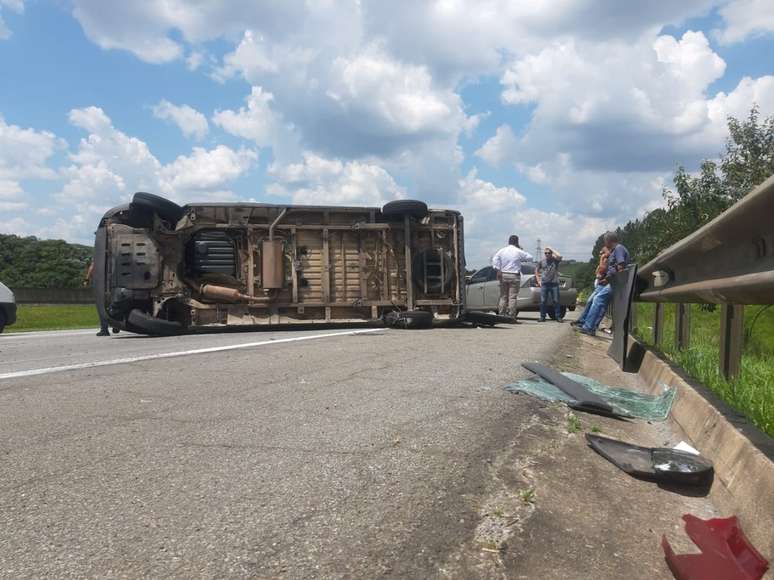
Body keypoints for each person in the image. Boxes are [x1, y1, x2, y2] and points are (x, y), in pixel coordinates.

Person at [578, 232, 629, 336]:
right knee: (598, 299)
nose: (605, 244)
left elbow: (621, 265)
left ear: (608, 241)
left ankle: (589, 327)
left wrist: (611, 278)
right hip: (612, 281)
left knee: (598, 299)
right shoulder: (617, 249)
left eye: (605, 242)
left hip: (617, 281)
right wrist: (607, 279)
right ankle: (588, 326)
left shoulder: (619, 248)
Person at [492, 235, 533, 321]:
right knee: (512, 297)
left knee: (503, 296)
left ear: (509, 241)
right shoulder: (518, 251)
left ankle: (501, 315)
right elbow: (530, 257)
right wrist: (521, 252)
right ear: (517, 242)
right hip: (514, 275)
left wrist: (498, 268)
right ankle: (511, 316)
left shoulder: (502, 250)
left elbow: (495, 259)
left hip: (503, 274)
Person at [571, 246, 610, 329]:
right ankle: (584, 321)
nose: (600, 255)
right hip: (601, 284)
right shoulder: (605, 260)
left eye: (601, 253)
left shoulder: (606, 259)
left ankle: (589, 324)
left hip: (603, 285)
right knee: (591, 302)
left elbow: (601, 271)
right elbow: (597, 272)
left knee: (596, 304)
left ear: (605, 253)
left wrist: (602, 258)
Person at [536, 246, 563, 322]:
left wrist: (551, 248)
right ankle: (542, 317)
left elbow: (559, 256)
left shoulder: (555, 260)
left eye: (549, 253)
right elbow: (536, 270)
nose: (547, 254)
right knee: (543, 301)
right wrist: (538, 280)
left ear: (551, 253)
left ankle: (558, 317)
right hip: (544, 283)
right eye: (545, 253)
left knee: (556, 301)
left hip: (554, 283)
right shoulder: (542, 261)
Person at [84, 259, 111, 337]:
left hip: (102, 283)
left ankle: (104, 330)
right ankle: (116, 325)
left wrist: (86, 279)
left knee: (101, 306)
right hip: (113, 284)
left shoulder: (101, 254)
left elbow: (92, 267)